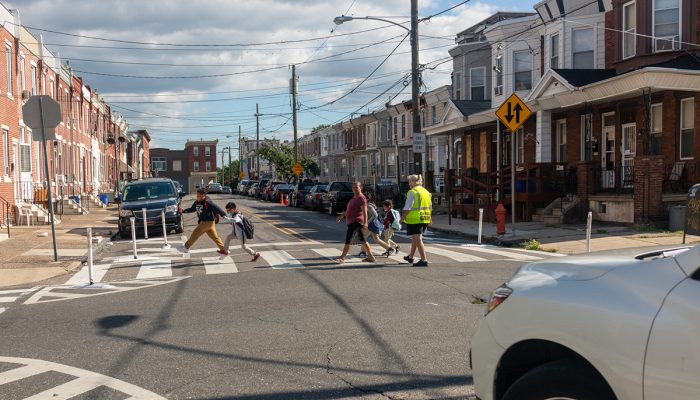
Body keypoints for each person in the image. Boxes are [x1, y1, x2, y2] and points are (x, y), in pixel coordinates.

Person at [177, 188, 227, 256]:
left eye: (198, 196)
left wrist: (223, 214)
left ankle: (186, 247)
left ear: (203, 195)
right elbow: (192, 209)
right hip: (210, 224)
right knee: (215, 237)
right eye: (197, 195)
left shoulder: (207, 202)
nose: (197, 197)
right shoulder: (197, 202)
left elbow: (216, 208)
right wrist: (183, 211)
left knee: (195, 234)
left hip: (206, 222)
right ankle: (224, 250)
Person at [335, 181, 376, 264]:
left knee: (348, 239)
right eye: (353, 187)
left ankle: (343, 257)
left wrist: (365, 223)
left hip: (356, 221)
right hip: (352, 221)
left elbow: (365, 211)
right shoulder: (354, 197)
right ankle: (371, 257)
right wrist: (342, 216)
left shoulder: (361, 198)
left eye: (356, 187)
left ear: (361, 188)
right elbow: (349, 210)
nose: (354, 189)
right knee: (363, 240)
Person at [401, 174, 432, 267]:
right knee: (415, 238)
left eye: (410, 181)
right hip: (424, 217)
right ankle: (410, 257)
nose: (409, 183)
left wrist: (401, 218)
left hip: (415, 219)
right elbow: (430, 207)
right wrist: (430, 218)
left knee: (418, 239)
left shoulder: (412, 192)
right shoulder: (426, 191)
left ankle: (424, 260)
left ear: (414, 182)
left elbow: (408, 207)